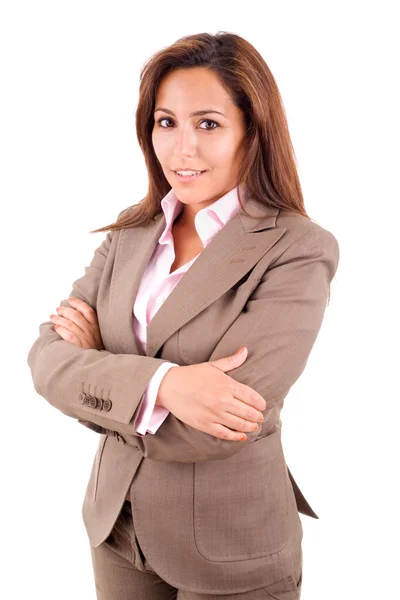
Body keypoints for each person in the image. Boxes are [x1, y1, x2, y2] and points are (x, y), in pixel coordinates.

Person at [27, 31, 340, 599]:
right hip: (116, 526)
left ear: (253, 132)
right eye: (166, 122)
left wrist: (101, 371)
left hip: (231, 547)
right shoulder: (132, 231)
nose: (181, 148)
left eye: (209, 124)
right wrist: (168, 386)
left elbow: (227, 423)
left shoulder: (297, 248)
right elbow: (47, 361)